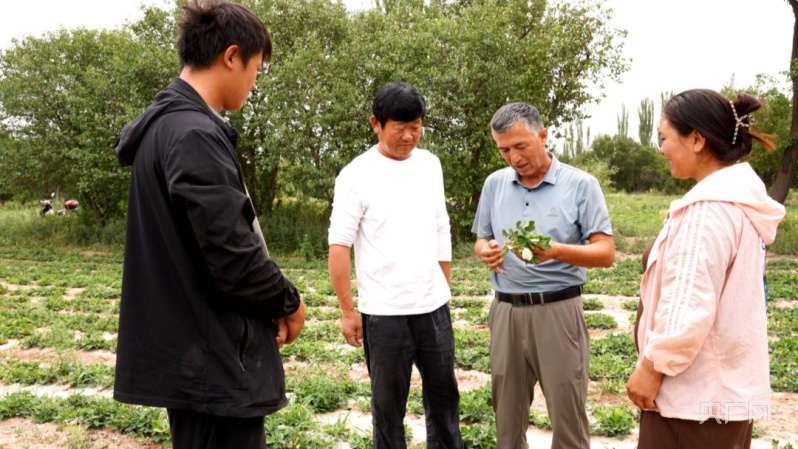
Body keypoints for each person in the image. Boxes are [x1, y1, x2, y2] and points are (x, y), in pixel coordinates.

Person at [112, 2, 305, 448]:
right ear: (232, 56)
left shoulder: (166, 128)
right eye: (257, 68)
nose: (255, 83)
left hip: (196, 362)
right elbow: (233, 254)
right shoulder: (192, 134)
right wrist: (289, 302)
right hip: (212, 367)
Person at [626, 89, 786, 449]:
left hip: (691, 405)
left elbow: (688, 306)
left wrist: (651, 368)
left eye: (664, 137)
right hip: (723, 400)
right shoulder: (741, 204)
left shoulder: (706, 212)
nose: (660, 148)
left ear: (696, 139)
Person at [328, 81, 463, 449]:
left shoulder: (430, 165)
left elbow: (440, 226)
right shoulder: (355, 175)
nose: (409, 136)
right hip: (384, 314)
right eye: (399, 128)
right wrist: (347, 310)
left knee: (445, 401)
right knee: (388, 410)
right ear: (376, 123)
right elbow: (339, 247)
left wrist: (444, 287)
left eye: (416, 127)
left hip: (433, 308)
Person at [472, 102, 615, 449]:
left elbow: (605, 252)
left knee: (567, 417)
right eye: (504, 149)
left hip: (558, 311)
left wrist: (556, 251)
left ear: (543, 135)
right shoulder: (494, 184)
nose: (514, 157)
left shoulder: (581, 184)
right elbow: (481, 237)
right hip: (505, 311)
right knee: (507, 418)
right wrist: (485, 251)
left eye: (521, 146)